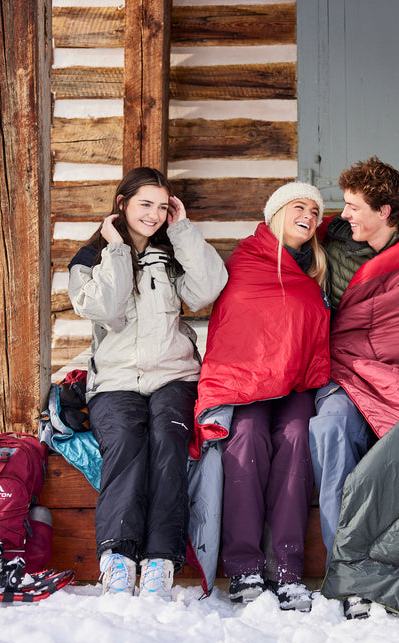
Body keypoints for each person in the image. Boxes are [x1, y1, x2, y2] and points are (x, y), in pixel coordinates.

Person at [67, 167, 228, 599]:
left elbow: (208, 289)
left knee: (168, 441)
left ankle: (160, 559)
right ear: (122, 204)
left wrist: (184, 230)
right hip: (116, 381)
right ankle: (117, 557)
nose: (154, 215)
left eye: (162, 206)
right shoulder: (90, 259)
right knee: (125, 444)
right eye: (145, 204)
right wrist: (118, 251)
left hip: (174, 376)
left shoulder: (170, 255)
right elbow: (107, 309)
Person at [309, 157, 399, 577]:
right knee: (330, 427)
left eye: (354, 206)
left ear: (384, 212)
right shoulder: (329, 246)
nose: (344, 214)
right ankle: (345, 564)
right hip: (340, 371)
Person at [193, 183, 331, 611]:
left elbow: (309, 334)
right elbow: (233, 329)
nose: (308, 214)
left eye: (315, 209)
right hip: (247, 383)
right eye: (298, 206)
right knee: (246, 438)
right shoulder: (245, 261)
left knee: (295, 440)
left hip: (295, 383)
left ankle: (287, 570)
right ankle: (243, 566)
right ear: (276, 213)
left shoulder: (315, 271)